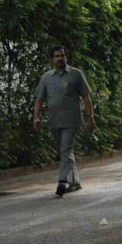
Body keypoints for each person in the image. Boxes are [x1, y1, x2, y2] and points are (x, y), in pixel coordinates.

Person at [33, 45, 95, 197]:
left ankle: (62, 181)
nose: (60, 58)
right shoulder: (46, 77)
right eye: (56, 56)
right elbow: (39, 99)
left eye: (62, 55)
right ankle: (75, 182)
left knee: (66, 149)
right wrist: (36, 117)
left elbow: (86, 97)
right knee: (65, 151)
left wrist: (90, 117)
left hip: (72, 119)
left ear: (66, 57)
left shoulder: (76, 74)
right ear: (52, 59)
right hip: (54, 121)